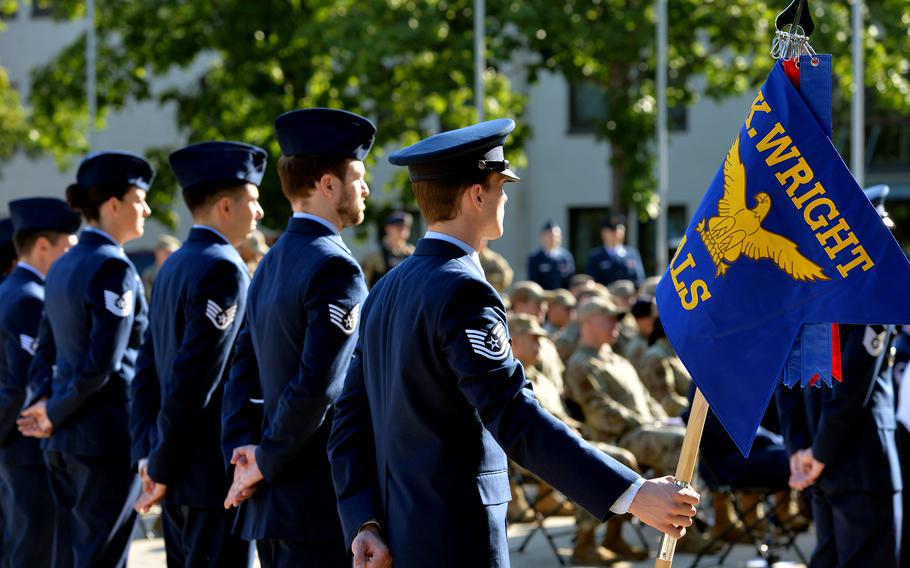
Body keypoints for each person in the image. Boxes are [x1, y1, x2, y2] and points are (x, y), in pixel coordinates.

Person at [328, 119, 699, 568]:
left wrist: (363, 521)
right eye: (500, 185)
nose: (505, 197)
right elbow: (515, 417)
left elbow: (348, 423)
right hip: (455, 540)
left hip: (394, 537)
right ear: (476, 195)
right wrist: (633, 493)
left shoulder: (387, 288)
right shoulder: (463, 290)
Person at [220, 108, 374, 567]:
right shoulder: (335, 266)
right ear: (328, 185)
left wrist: (243, 455)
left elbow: (241, 371)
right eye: (358, 177)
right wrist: (261, 460)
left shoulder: (270, 261)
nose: (365, 189)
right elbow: (318, 386)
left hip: (273, 499)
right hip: (314, 502)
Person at [129, 141, 266, 567]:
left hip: (176, 471)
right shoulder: (223, 268)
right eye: (253, 200)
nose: (258, 212)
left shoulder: (174, 263)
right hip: (208, 478)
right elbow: (195, 378)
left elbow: (148, 368)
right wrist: (161, 465)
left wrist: (151, 458)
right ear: (226, 206)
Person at [18, 151, 153, 567]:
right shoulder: (113, 267)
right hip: (104, 440)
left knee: (71, 557)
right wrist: (52, 410)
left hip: (64, 440)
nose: (146, 209)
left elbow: (46, 349)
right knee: (103, 558)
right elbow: (102, 363)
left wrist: (43, 404)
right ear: (113, 205)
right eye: (139, 199)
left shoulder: (62, 264)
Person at [0, 198, 80, 567]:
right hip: (27, 449)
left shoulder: (10, 290)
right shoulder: (30, 298)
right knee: (36, 551)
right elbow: (23, 385)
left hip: (16, 450)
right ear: (43, 245)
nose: (71, 255)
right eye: (67, 245)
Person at [586, 215, 644, 287]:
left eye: (620, 230)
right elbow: (593, 282)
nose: (616, 233)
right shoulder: (595, 256)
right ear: (603, 233)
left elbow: (639, 279)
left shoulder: (632, 253)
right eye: (612, 231)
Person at [360, 210, 414, 287]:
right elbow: (365, 282)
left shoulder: (412, 252)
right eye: (398, 227)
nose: (403, 230)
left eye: (406, 227)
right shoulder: (376, 254)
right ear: (388, 228)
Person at [527, 220, 574, 290]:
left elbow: (570, 279)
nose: (553, 239)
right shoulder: (535, 258)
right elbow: (533, 281)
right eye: (549, 236)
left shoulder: (566, 257)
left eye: (556, 236)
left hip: (562, 297)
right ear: (542, 237)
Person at [142, 234, 181, 300]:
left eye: (170, 253)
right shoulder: (149, 275)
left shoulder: (181, 274)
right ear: (157, 252)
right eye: (165, 252)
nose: (168, 256)